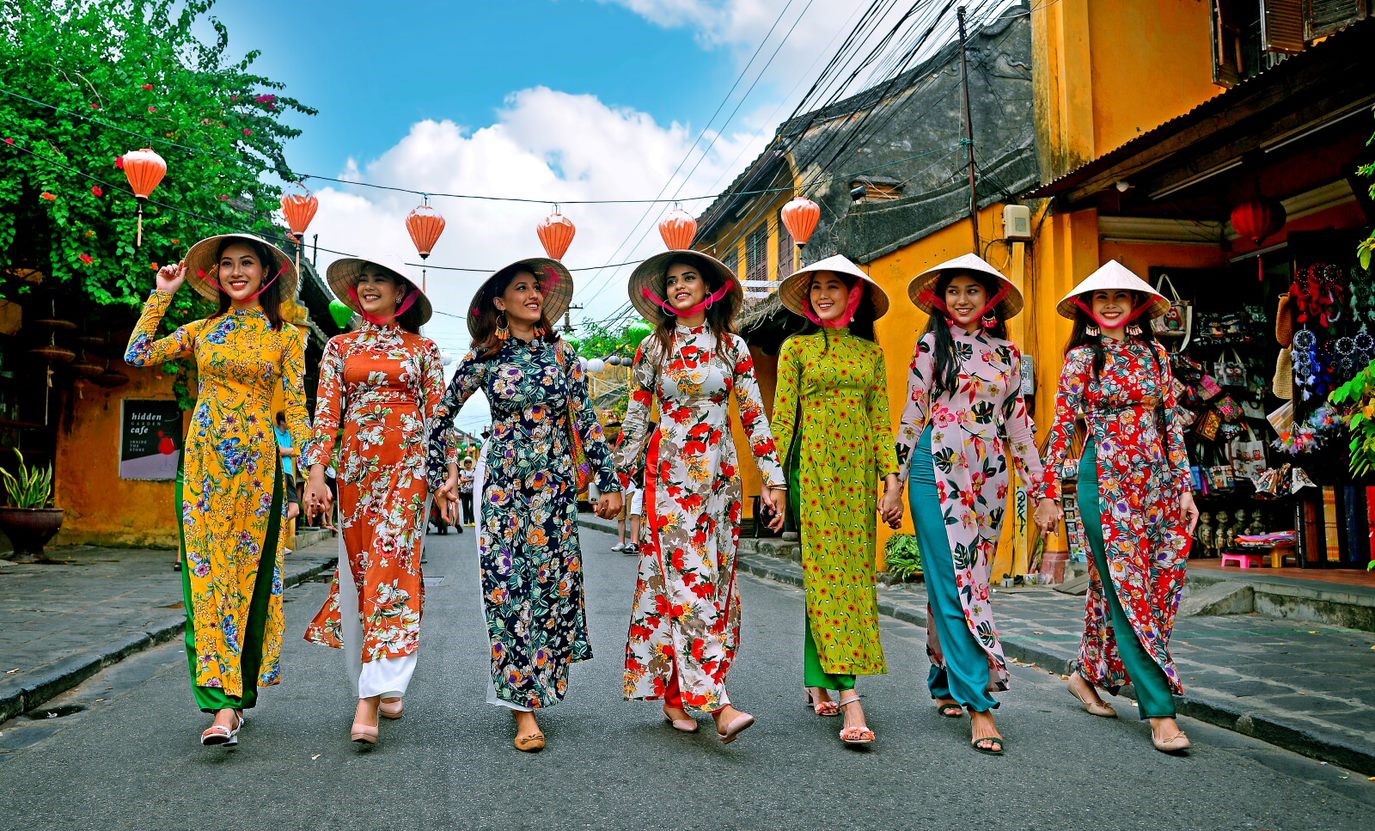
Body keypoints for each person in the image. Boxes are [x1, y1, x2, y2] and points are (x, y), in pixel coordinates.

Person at [427, 256, 622, 752]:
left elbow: (588, 421)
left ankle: (542, 683)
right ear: (500, 302)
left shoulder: (564, 356)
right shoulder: (483, 358)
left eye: (537, 288)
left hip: (554, 493)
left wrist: (608, 481)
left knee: (552, 593)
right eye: (521, 288)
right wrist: (441, 475)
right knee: (508, 591)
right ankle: (523, 709)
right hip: (502, 490)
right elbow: (440, 416)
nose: (533, 295)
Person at [125, 233, 310, 747]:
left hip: (257, 472)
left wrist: (308, 473)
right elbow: (138, 353)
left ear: (266, 274)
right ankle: (221, 707)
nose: (234, 272)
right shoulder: (202, 330)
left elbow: (295, 410)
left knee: (248, 580)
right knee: (207, 581)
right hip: (204, 469)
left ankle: (237, 694)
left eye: (246, 263)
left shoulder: (285, 337)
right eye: (226, 264)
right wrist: (162, 293)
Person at [616, 249, 786, 745]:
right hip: (669, 478)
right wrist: (617, 481)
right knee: (690, 585)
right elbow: (634, 418)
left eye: (688, 278)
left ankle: (675, 694)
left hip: (720, 480)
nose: (678, 287)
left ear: (710, 289)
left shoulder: (732, 348)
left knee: (708, 583)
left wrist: (772, 479)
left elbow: (754, 417)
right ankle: (719, 703)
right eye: (671, 282)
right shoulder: (653, 350)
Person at [1031, 260, 1200, 755]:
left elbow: (1173, 428)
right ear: (1088, 306)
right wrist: (1046, 493)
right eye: (1100, 297)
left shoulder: (1157, 356)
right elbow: (1062, 429)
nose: (1109, 304)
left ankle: (1085, 674)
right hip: (1101, 485)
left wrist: (1184, 489)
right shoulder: (1083, 360)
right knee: (1129, 592)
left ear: (1136, 306)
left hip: (1158, 487)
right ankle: (1160, 712)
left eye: (1119, 297)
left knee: (1149, 588)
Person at [895, 253, 1050, 757]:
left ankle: (942, 682)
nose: (962, 300)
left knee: (969, 580)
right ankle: (978, 703)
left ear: (990, 300)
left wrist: (1041, 490)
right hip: (933, 471)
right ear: (943, 299)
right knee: (956, 581)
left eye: (972, 292)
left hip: (989, 481)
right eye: (954, 291)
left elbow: (1020, 429)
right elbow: (912, 415)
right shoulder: (930, 345)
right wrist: (895, 484)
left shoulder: (1008, 355)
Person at [301, 254, 452, 746]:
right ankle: (388, 679)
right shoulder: (339, 349)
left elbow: (439, 419)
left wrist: (447, 475)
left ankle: (368, 699)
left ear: (401, 292)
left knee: (392, 569)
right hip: (357, 475)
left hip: (407, 472)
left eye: (379, 279)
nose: (368, 286)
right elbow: (325, 417)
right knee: (366, 575)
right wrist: (316, 475)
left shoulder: (423, 349)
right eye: (362, 280)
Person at [769, 255, 904, 746]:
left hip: (858, 479)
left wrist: (891, 479)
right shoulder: (797, 349)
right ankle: (850, 694)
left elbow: (880, 419)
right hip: (817, 475)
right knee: (830, 574)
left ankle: (816, 674)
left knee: (848, 578)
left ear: (855, 296)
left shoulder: (870, 354)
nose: (823, 294)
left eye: (834, 287)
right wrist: (775, 479)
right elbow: (783, 419)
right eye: (817, 287)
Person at [274, 411, 300, 553]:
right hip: (281, 472)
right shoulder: (275, 432)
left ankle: (277, 531)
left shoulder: (289, 434)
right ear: (282, 422)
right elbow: (280, 451)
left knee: (292, 509)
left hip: (289, 473)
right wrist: (291, 451)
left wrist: (288, 451)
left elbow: (297, 449)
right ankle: (278, 542)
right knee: (288, 508)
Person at [458, 456, 476, 527]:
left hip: (473, 492)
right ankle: (465, 521)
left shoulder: (474, 470)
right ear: (464, 464)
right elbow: (462, 479)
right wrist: (471, 479)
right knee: (465, 506)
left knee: (472, 507)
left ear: (471, 463)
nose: (468, 464)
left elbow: (476, 478)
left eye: (469, 462)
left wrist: (467, 479)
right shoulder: (462, 471)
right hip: (464, 492)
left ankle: (472, 520)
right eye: (466, 462)